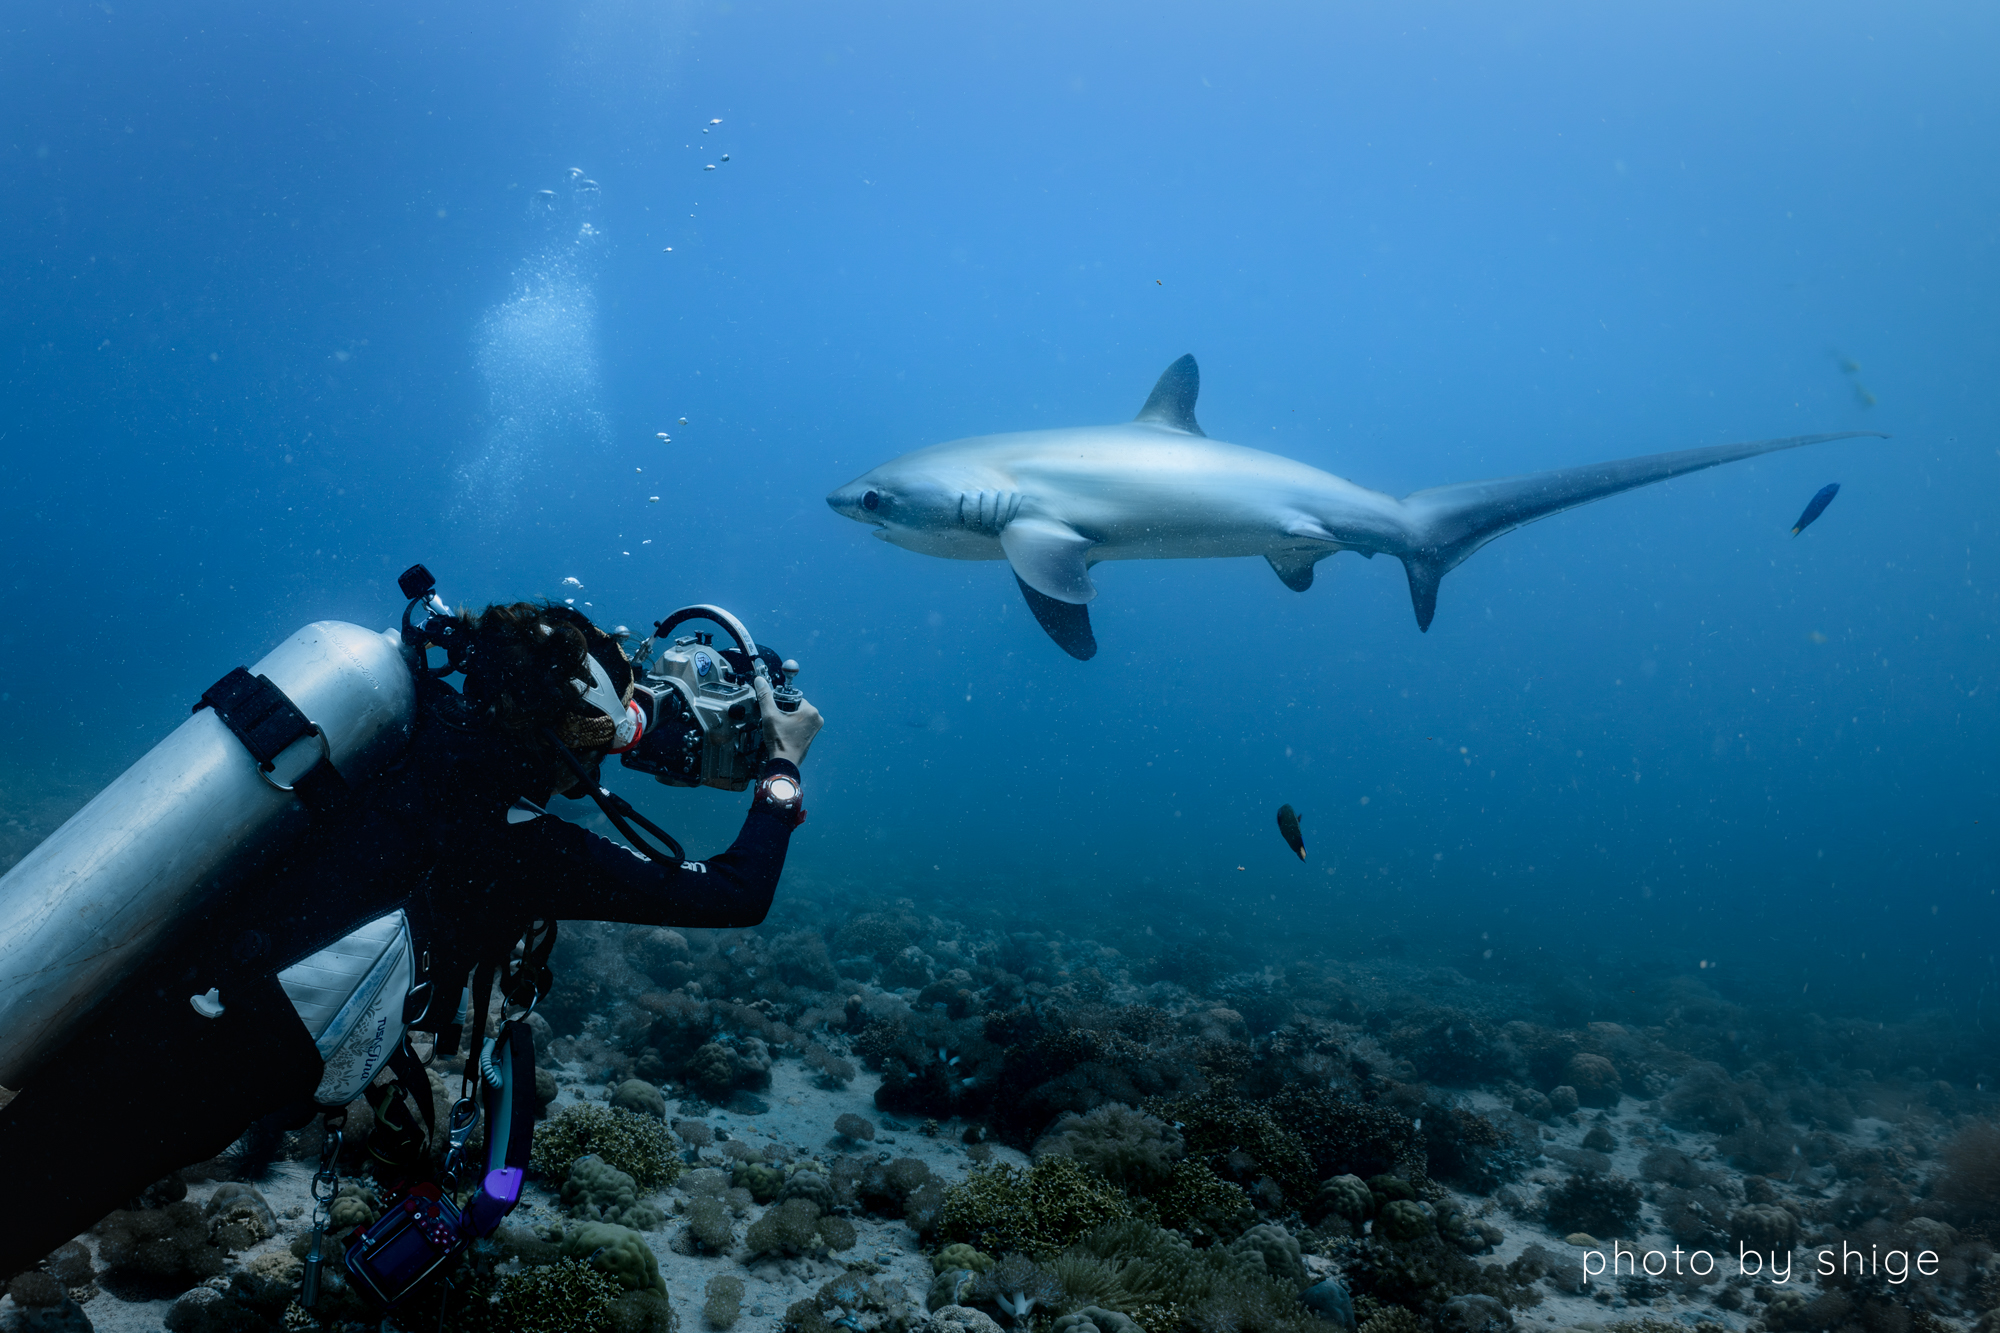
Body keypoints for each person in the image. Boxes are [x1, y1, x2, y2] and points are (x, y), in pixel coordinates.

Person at [0, 600, 822, 1275]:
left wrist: (411, 1167)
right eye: (611, 724)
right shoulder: (519, 841)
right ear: (577, 722)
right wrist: (780, 770)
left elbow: (371, 954)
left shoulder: (417, 739)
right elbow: (735, 893)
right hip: (215, 1060)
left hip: (180, 991)